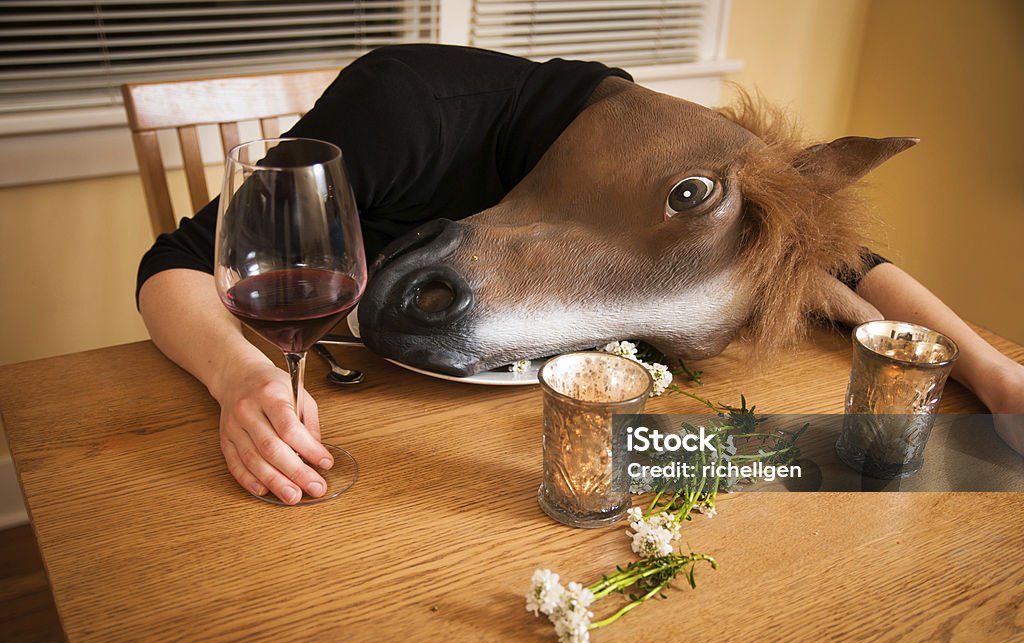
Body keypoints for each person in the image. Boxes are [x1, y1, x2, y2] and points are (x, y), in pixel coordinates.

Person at [137, 45, 1024, 504]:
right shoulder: (405, 108)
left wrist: (992, 372)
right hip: (352, 419)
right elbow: (176, 264)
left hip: (524, 449)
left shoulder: (685, 165)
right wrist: (241, 375)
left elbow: (856, 268)